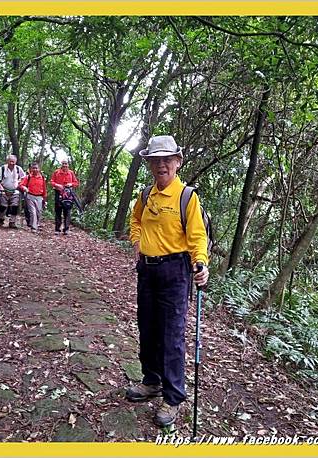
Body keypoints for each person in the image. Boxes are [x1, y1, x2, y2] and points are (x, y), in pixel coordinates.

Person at [126, 135, 209, 427]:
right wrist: (136, 241)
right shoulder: (146, 194)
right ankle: (152, 381)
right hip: (146, 270)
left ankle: (173, 397)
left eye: (166, 160)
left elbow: (198, 235)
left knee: (172, 335)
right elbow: (135, 220)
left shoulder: (187, 196)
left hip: (175, 271)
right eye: (155, 160)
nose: (161, 165)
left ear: (177, 162)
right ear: (149, 163)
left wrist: (202, 263)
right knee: (147, 328)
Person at [50, 159, 79, 235]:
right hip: (58, 193)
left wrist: (70, 184)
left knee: (67, 211)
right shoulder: (56, 172)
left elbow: (76, 183)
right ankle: (57, 229)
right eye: (63, 164)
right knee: (58, 211)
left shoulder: (71, 173)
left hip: (68, 195)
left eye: (66, 164)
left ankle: (66, 229)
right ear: (61, 164)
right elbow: (52, 182)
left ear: (68, 165)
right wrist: (57, 185)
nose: (64, 165)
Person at [0, 155, 26, 228]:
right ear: (7, 161)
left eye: (13, 161)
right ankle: (1, 219)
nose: (12, 163)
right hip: (4, 190)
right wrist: (0, 187)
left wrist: (20, 184)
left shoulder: (18, 169)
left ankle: (12, 222)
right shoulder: (3, 168)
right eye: (10, 161)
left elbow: (24, 178)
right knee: (2, 206)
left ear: (15, 162)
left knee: (14, 206)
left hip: (15, 191)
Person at [18, 162, 47, 233]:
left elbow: (44, 188)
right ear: (31, 169)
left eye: (36, 168)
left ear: (39, 169)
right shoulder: (28, 177)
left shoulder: (42, 177)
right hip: (30, 196)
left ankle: (36, 224)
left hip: (39, 197)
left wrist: (45, 199)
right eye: (33, 168)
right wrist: (24, 188)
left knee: (38, 212)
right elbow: (21, 185)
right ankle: (34, 227)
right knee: (32, 212)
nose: (35, 170)